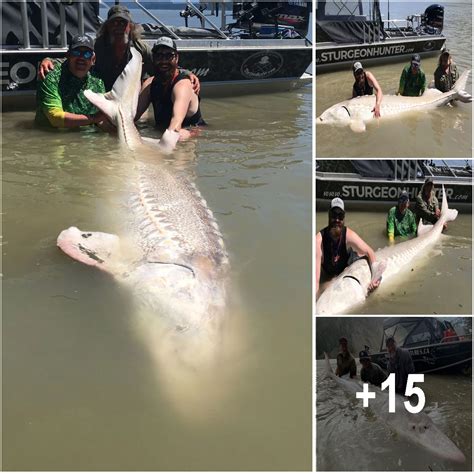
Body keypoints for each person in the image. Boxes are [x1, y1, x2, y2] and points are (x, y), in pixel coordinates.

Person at [38, 5, 200, 94]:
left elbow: (163, 67)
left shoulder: (140, 48)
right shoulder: (97, 46)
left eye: (123, 23)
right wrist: (49, 60)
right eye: (114, 23)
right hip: (104, 97)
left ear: (131, 27)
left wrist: (187, 74)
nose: (118, 27)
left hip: (131, 100)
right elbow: (74, 60)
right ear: (107, 26)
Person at [136, 37, 205, 141]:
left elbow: (175, 124)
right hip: (162, 130)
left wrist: (163, 148)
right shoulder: (149, 84)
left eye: (169, 56)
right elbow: (133, 115)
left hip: (191, 132)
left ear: (176, 58)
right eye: (159, 56)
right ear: (153, 58)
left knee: (179, 135)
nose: (163, 61)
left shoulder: (182, 85)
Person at [35, 34, 108, 129]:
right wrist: (94, 119)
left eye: (87, 54)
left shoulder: (98, 82)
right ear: (68, 55)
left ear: (93, 60)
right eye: (76, 53)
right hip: (51, 137)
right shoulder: (51, 75)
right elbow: (55, 118)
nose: (81, 58)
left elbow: (101, 118)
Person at [316, 198, 381, 296]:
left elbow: (369, 251)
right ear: (329, 215)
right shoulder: (318, 240)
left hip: (348, 268)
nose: (337, 220)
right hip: (330, 277)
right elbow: (315, 280)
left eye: (340, 216)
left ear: (344, 217)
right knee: (324, 287)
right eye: (334, 215)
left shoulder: (348, 234)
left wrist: (375, 277)